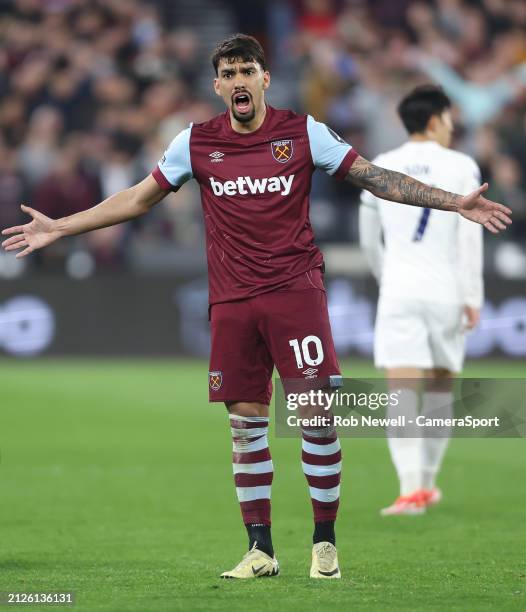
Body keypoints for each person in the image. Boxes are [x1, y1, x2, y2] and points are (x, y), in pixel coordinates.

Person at [1, 35, 511, 579]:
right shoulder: (194, 142)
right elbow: (135, 198)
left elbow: (374, 179)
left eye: (248, 69)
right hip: (233, 302)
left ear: (265, 78)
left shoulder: (304, 132)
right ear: (218, 85)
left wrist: (454, 202)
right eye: (229, 72)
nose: (239, 80)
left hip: (296, 295)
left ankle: (324, 542)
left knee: (315, 420)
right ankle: (260, 549)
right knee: (246, 426)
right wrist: (62, 226)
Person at [359, 85, 484, 516]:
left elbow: (367, 236)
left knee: (402, 391)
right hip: (446, 290)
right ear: (434, 120)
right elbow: (470, 236)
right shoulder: (462, 165)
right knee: (438, 393)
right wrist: (473, 295)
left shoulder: (383, 166)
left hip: (400, 289)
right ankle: (426, 484)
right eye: (448, 119)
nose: (451, 127)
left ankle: (410, 488)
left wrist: (385, 275)